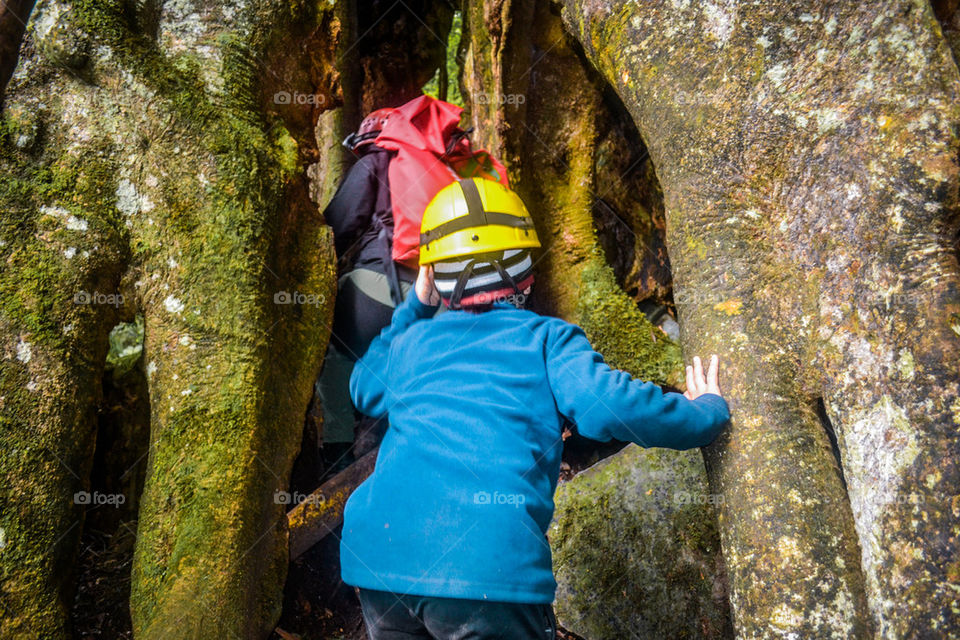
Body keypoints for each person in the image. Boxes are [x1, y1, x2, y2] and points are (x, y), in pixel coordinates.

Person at [338, 178, 731, 639]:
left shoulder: (412, 343)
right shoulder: (546, 339)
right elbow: (607, 406)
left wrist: (414, 309)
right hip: (486, 573)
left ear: (434, 278)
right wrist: (704, 414)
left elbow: (362, 387)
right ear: (526, 272)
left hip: (378, 562)